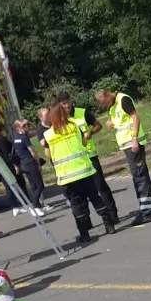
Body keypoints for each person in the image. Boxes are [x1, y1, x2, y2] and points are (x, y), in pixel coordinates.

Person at [45, 101, 117, 243]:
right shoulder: (74, 126)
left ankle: (84, 234)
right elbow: (84, 143)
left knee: (76, 204)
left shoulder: (48, 134)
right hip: (84, 170)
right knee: (95, 197)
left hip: (67, 176)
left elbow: (48, 155)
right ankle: (109, 225)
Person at [95, 88, 151, 225]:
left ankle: (147, 212)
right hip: (127, 144)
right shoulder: (112, 105)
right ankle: (150, 208)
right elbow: (120, 121)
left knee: (139, 177)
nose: (105, 105)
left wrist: (135, 138)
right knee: (140, 176)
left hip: (133, 143)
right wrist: (110, 123)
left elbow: (135, 118)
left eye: (105, 102)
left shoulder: (123, 99)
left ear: (108, 95)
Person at [55, 91, 118, 222]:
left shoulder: (82, 113)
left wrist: (90, 132)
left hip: (89, 155)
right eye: (63, 104)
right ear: (59, 105)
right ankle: (86, 222)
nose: (67, 106)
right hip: (74, 161)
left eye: (68, 102)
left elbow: (98, 126)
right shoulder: (58, 120)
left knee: (100, 186)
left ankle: (112, 214)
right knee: (81, 193)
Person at [0, 122, 29, 216]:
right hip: (9, 165)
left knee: (8, 186)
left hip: (1, 167)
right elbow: (7, 154)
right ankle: (25, 203)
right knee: (20, 183)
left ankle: (15, 206)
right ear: (3, 129)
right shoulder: (2, 140)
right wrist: (15, 164)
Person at [12, 118, 47, 214]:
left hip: (23, 164)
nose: (26, 127)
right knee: (40, 185)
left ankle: (38, 207)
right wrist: (38, 163)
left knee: (33, 185)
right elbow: (33, 151)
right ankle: (34, 205)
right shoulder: (24, 137)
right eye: (24, 126)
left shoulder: (15, 138)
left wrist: (16, 165)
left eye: (27, 125)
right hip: (30, 162)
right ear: (17, 128)